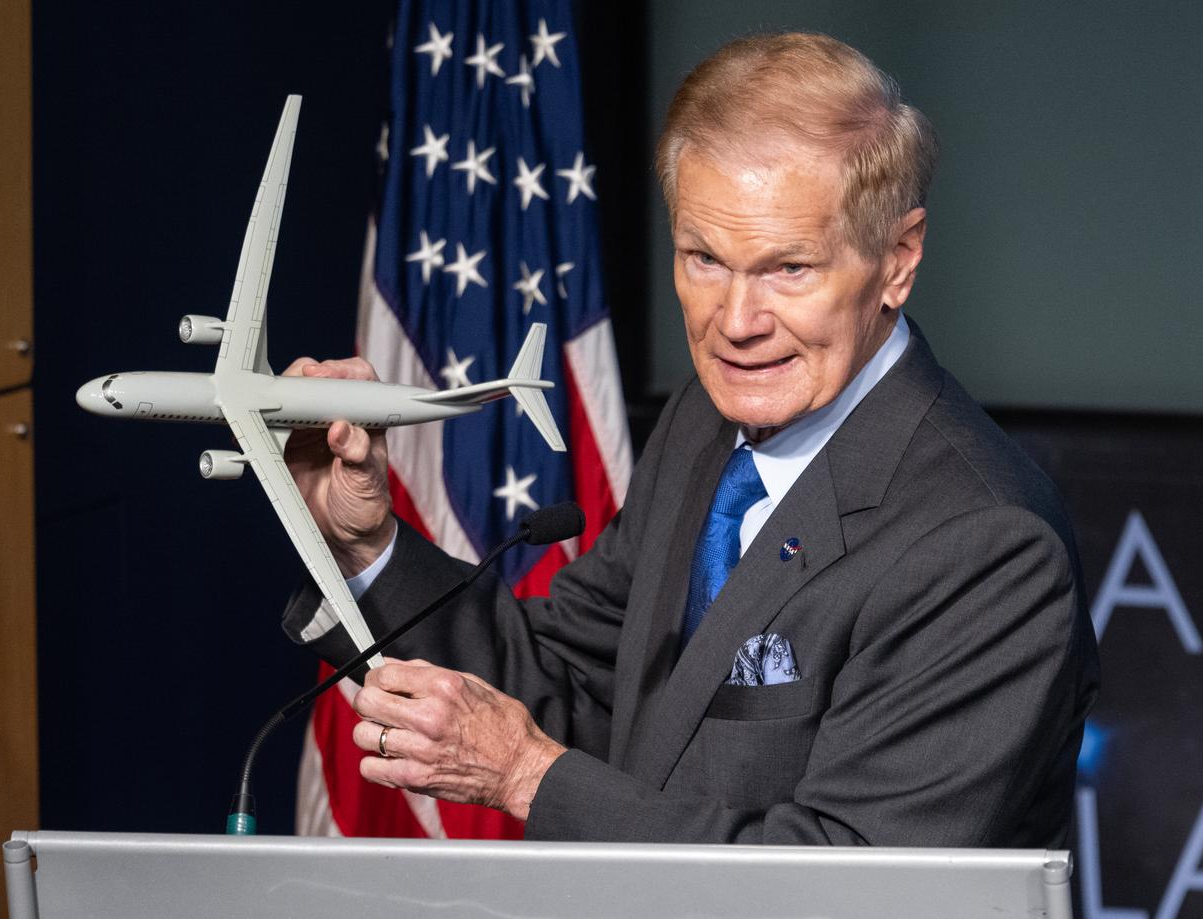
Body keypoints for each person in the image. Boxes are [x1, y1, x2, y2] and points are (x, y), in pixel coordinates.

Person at [281, 31, 1098, 846]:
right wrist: (366, 544)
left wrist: (529, 776)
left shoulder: (988, 545)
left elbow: (854, 882)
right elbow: (568, 683)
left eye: (790, 268)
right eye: (704, 257)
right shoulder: (703, 423)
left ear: (898, 260)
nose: (736, 324)